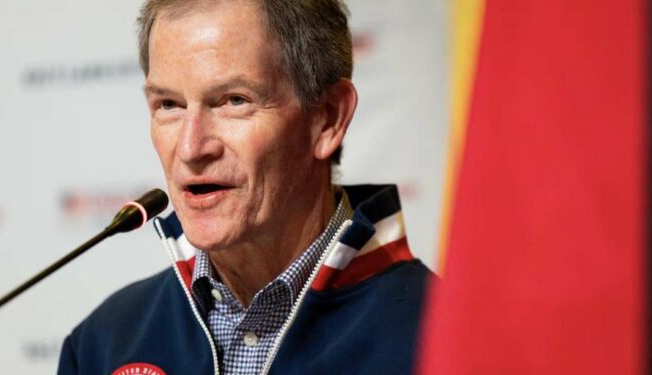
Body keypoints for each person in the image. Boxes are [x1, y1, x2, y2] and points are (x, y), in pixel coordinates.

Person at [58, 0, 433, 374]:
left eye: (234, 101)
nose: (190, 149)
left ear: (327, 119)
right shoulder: (103, 342)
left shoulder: (442, 338)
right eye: (169, 104)